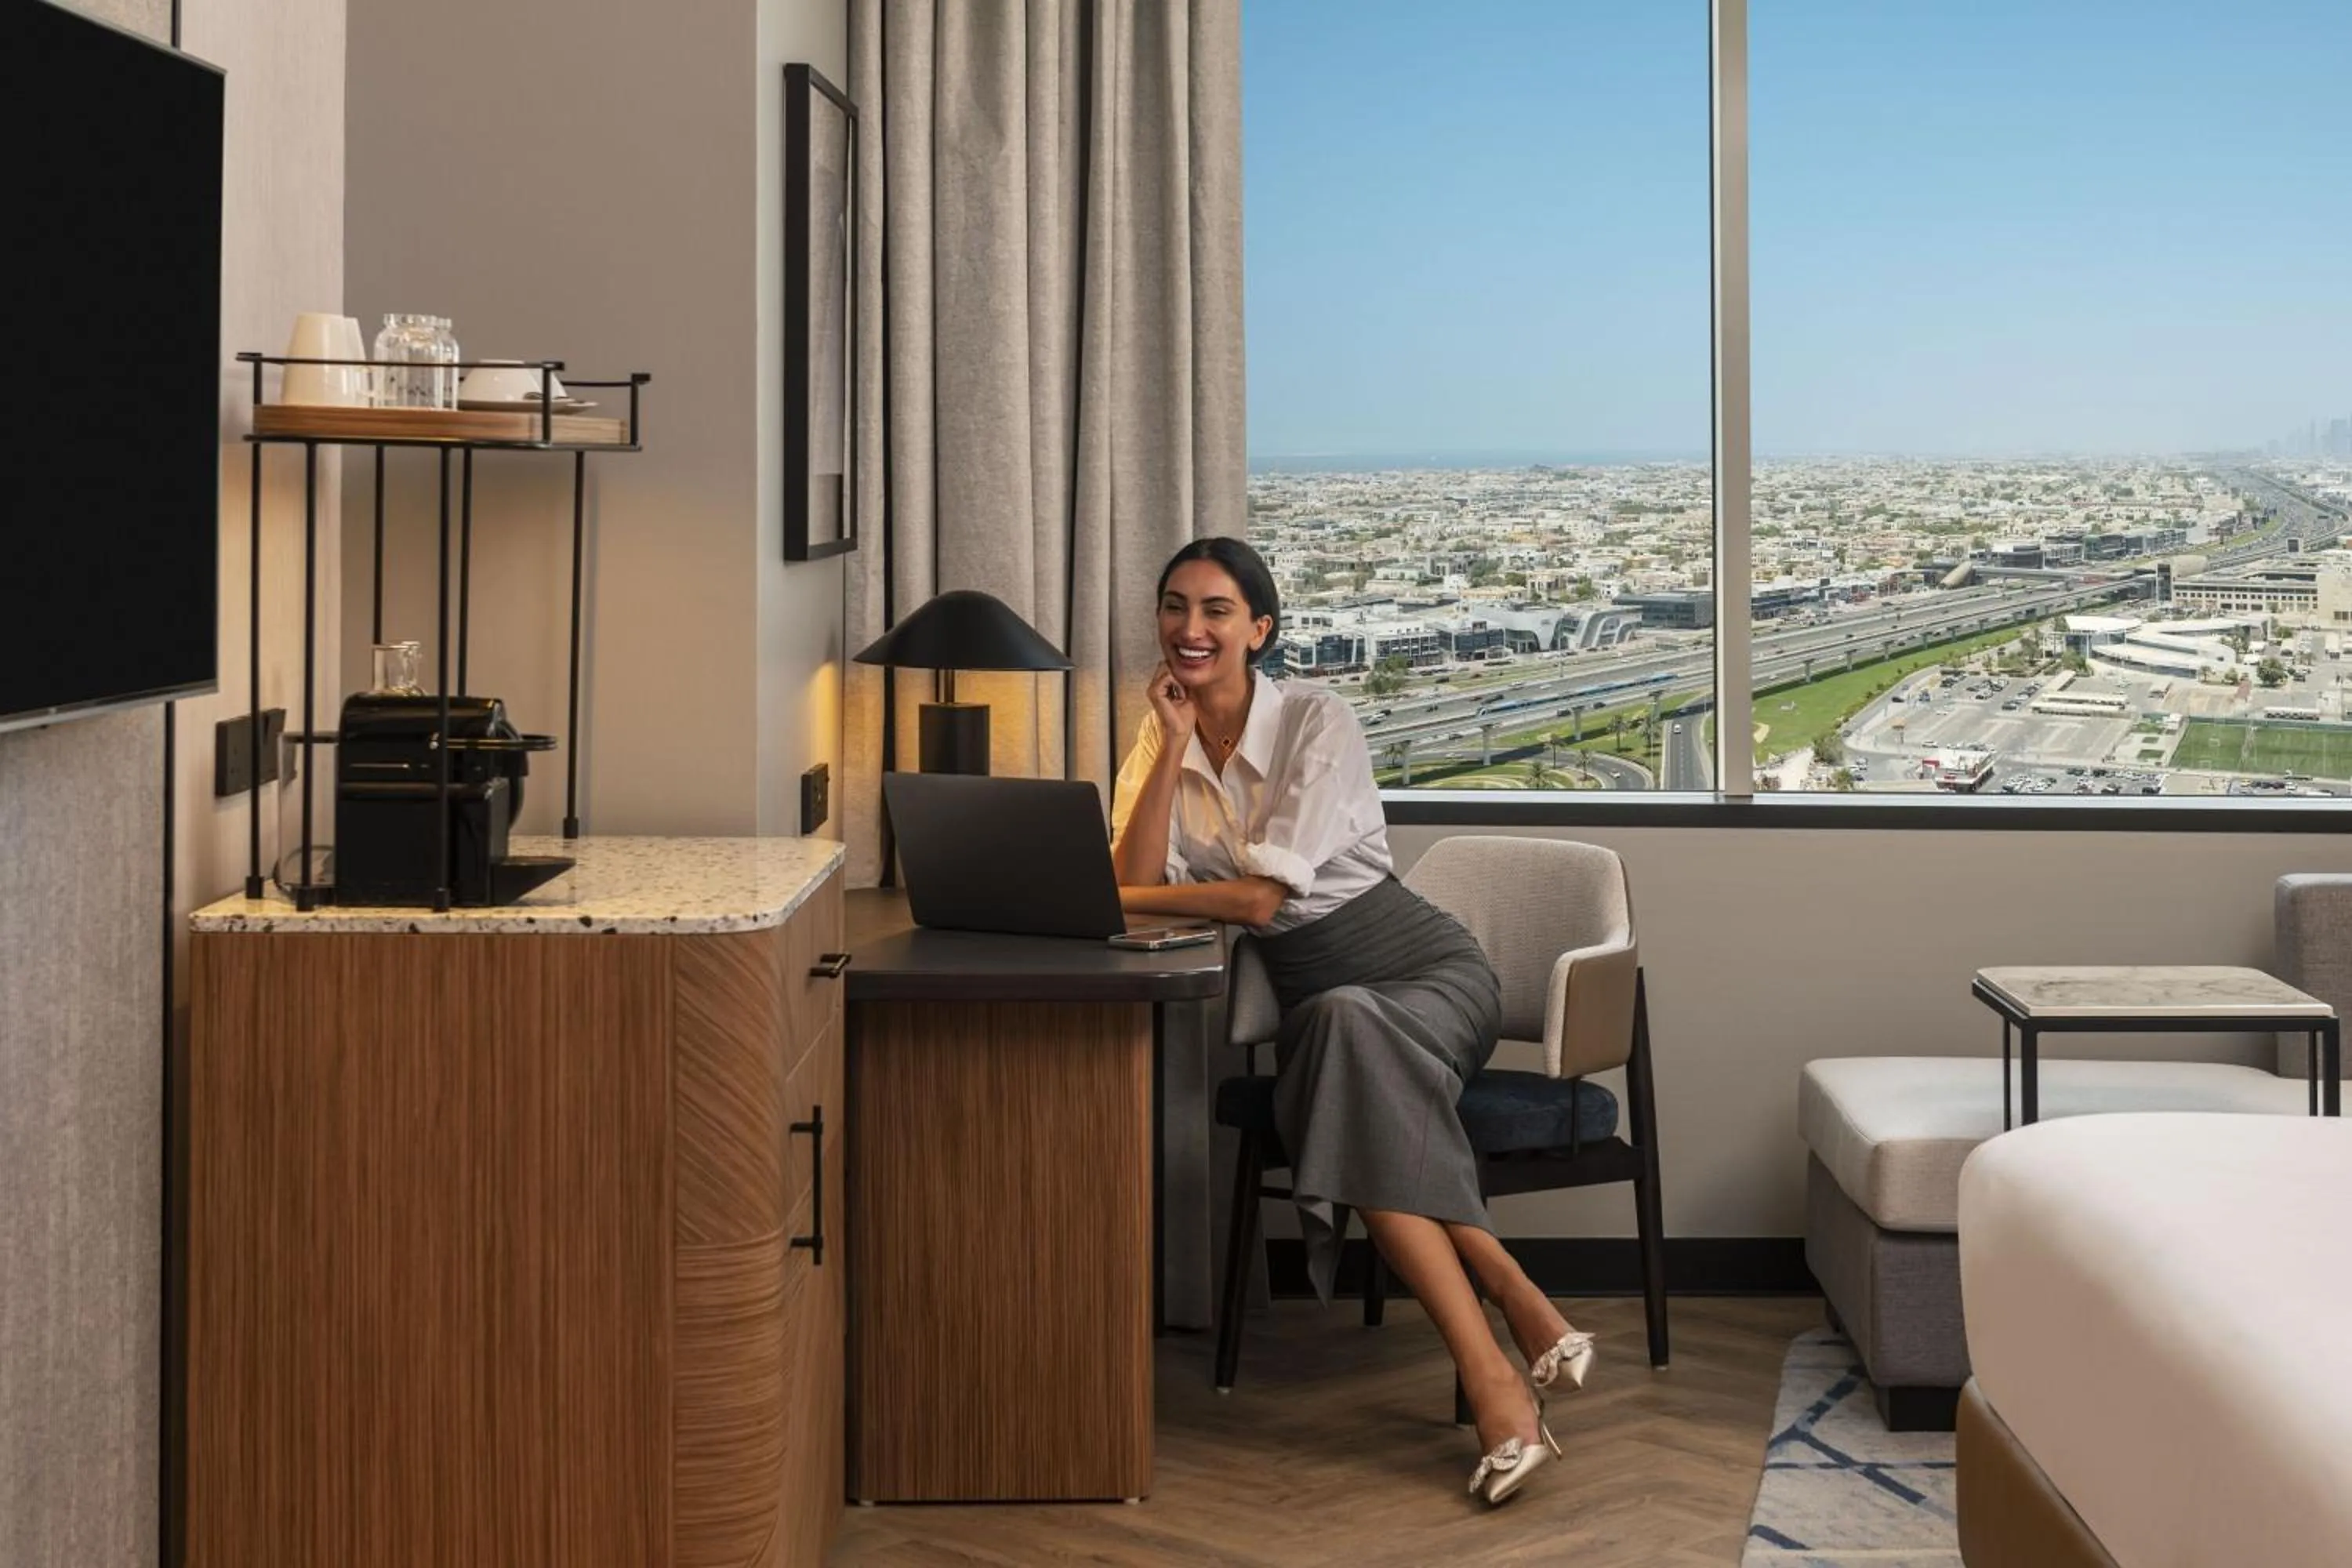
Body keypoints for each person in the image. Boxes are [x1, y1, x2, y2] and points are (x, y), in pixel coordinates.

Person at [1110, 536, 1595, 1506]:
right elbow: (1133, 867)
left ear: (1262, 629)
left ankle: (1501, 1370)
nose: (1189, 628)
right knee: (1338, 1030)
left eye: (1215, 610)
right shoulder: (1157, 736)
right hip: (1327, 1002)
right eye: (1174, 606)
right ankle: (1510, 1303)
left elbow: (1244, 903)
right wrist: (1165, 751)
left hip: (1426, 970)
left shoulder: (1318, 721)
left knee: (1340, 1028)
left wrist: (1126, 893)